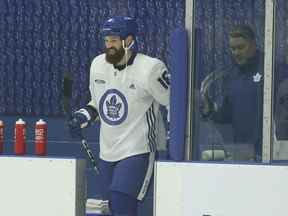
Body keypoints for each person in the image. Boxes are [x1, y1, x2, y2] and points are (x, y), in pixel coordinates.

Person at [67, 16, 170, 216]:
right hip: (108, 150)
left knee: (121, 202)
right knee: (112, 207)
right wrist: (82, 117)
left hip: (138, 149)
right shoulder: (97, 64)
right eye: (106, 41)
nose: (108, 46)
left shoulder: (151, 68)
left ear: (129, 40)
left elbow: (174, 102)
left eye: (113, 40)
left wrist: (172, 139)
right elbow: (97, 103)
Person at [200, 24, 264, 161]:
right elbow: (227, 115)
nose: (236, 52)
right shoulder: (231, 75)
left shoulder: (269, 68)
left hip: (267, 153)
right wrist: (210, 110)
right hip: (241, 152)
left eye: (241, 47)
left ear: (253, 44)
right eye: (232, 48)